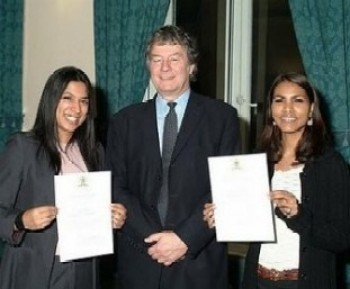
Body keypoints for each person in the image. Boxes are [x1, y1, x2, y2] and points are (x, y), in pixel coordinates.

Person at [106, 25, 240, 289]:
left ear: (191, 66)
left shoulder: (222, 117)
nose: (165, 67)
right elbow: (116, 187)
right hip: (140, 260)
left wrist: (185, 238)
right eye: (157, 59)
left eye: (174, 58)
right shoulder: (124, 121)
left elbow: (227, 187)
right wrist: (153, 238)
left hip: (199, 262)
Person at [203, 72, 350, 289]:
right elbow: (249, 224)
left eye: (297, 100)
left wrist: (298, 215)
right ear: (271, 111)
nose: (287, 109)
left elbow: (342, 238)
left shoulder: (329, 164)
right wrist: (222, 217)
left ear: (311, 110)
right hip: (257, 279)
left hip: (302, 283)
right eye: (279, 100)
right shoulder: (258, 161)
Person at [0, 66, 127, 289]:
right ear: (51, 100)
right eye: (67, 98)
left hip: (84, 268)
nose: (76, 108)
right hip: (34, 271)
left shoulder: (94, 151)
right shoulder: (23, 147)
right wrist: (22, 221)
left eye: (84, 101)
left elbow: (100, 207)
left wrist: (114, 217)